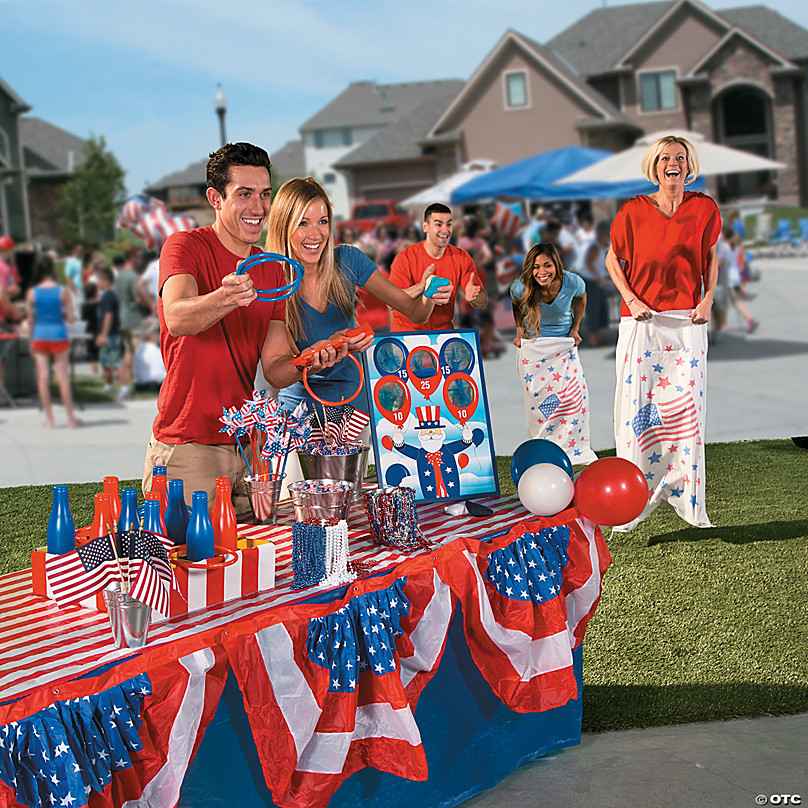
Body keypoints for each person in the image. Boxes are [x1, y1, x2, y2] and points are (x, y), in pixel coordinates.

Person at [142, 144, 340, 511]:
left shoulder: (271, 268)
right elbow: (177, 317)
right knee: (192, 562)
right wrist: (225, 297)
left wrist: (312, 359)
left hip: (249, 448)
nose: (259, 208)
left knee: (263, 561)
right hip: (188, 444)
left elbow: (277, 369)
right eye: (244, 194)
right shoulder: (184, 246)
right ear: (215, 198)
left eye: (265, 194)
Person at [606, 134, 721, 529]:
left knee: (687, 414)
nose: (674, 164)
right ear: (654, 166)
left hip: (688, 322)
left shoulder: (705, 209)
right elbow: (612, 260)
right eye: (666, 158)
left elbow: (709, 258)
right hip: (642, 321)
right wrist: (632, 299)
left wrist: (708, 301)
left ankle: (690, 504)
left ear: (690, 166)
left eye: (681, 158)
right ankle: (629, 505)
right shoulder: (632, 212)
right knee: (635, 410)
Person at [265, 177, 441, 418]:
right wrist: (321, 352)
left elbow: (415, 311)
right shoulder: (271, 283)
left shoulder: (348, 260)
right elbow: (276, 374)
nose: (316, 234)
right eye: (303, 223)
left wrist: (431, 290)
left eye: (323, 221)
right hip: (298, 413)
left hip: (355, 410)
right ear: (283, 226)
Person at [388, 203, 487, 333]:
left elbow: (482, 301)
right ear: (425, 227)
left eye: (449, 224)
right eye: (438, 224)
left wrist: (474, 296)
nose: (445, 230)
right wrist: (422, 286)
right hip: (407, 334)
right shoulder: (405, 258)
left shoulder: (462, 257)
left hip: (442, 335)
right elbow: (390, 303)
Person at [25, 254, 81, 428]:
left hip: (40, 335)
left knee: (43, 377)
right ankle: (70, 417)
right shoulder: (63, 291)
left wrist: (30, 342)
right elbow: (71, 318)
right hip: (58, 334)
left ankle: (49, 418)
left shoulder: (31, 293)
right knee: (62, 377)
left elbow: (31, 321)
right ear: (52, 270)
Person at [510, 243, 586, 347]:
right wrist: (519, 331)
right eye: (536, 267)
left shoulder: (574, 282)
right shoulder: (520, 288)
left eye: (548, 265)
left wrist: (575, 329)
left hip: (565, 341)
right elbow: (516, 305)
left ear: (556, 265)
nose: (542, 272)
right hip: (532, 342)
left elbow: (581, 299)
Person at [115, 245, 145, 400]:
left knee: (128, 352)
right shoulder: (133, 277)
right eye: (138, 256)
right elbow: (138, 298)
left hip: (123, 316)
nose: (140, 259)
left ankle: (126, 383)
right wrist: (150, 304)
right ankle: (135, 382)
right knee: (138, 352)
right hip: (134, 317)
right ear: (133, 257)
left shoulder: (120, 275)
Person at [95, 266, 123, 393]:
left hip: (110, 334)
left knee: (112, 361)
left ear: (105, 281)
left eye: (99, 280)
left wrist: (103, 334)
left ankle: (122, 386)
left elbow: (108, 315)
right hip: (114, 333)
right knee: (110, 361)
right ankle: (110, 384)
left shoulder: (107, 297)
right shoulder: (112, 295)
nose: (97, 283)